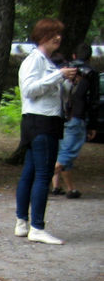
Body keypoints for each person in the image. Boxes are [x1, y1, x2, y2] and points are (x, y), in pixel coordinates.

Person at [13, 18, 77, 245]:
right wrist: (59, 76)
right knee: (43, 174)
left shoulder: (48, 62)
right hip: (41, 122)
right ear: (41, 36)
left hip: (43, 121)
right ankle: (37, 227)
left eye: (59, 34)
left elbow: (57, 95)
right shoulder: (34, 61)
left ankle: (22, 222)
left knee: (30, 172)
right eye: (52, 34)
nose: (57, 38)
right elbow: (30, 90)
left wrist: (67, 81)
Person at [51, 43, 98, 199]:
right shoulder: (91, 74)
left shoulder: (63, 69)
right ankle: (37, 184)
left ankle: (67, 188)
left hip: (59, 116)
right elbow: (94, 101)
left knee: (62, 152)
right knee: (66, 155)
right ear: (89, 57)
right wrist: (92, 125)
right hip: (77, 117)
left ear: (74, 56)